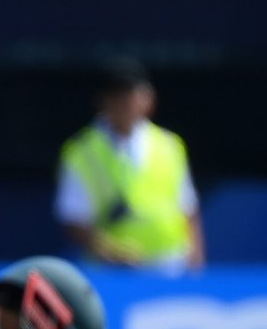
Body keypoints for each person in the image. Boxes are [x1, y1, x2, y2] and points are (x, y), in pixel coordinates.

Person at [55, 59, 206, 275]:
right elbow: (73, 219)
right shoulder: (81, 152)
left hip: (170, 265)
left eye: (132, 93)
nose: (125, 102)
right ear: (102, 101)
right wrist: (109, 252)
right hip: (111, 271)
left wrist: (196, 261)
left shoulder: (170, 145)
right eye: (117, 95)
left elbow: (188, 208)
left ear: (149, 99)